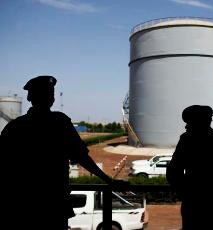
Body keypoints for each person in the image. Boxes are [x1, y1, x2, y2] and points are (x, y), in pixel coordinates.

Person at [0, 75, 127, 229]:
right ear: (50, 99)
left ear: (29, 97)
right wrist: (109, 181)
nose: (51, 97)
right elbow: (82, 157)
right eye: (50, 94)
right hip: (55, 206)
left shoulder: (14, 128)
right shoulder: (60, 123)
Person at [166, 105, 213, 230]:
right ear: (209, 120)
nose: (186, 126)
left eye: (189, 123)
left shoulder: (187, 140)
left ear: (195, 122)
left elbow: (173, 172)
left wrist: (187, 193)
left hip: (195, 208)